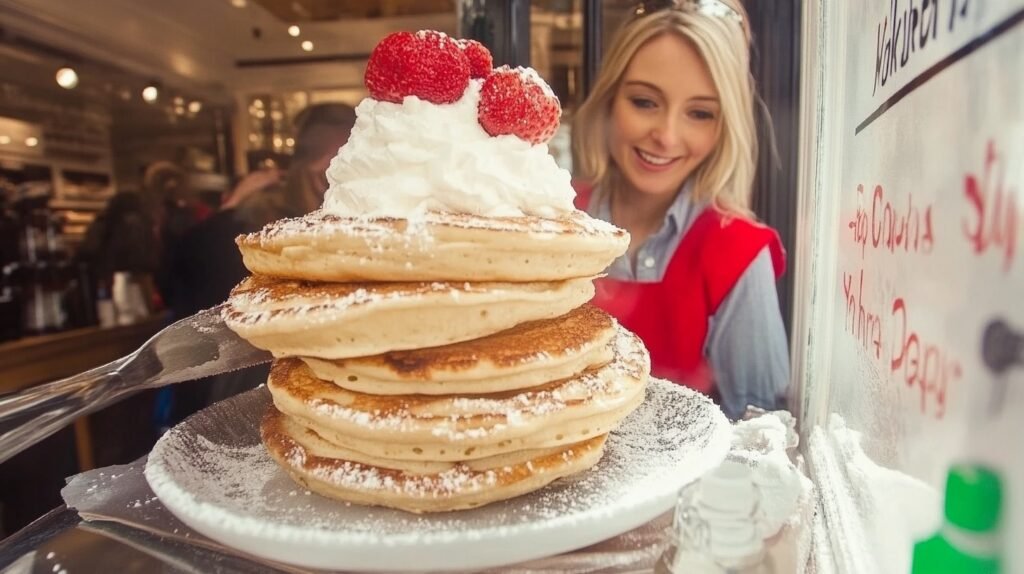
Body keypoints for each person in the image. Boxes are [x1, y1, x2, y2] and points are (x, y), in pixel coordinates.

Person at [570, 0, 788, 419]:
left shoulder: (738, 253)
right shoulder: (556, 220)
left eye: (700, 113)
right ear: (609, 98)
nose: (666, 136)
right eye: (645, 102)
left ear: (725, 127)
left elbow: (761, 438)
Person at [160, 103, 357, 425]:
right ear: (321, 164)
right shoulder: (262, 220)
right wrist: (232, 207)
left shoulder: (356, 220)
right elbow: (185, 274)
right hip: (256, 382)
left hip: (325, 382)